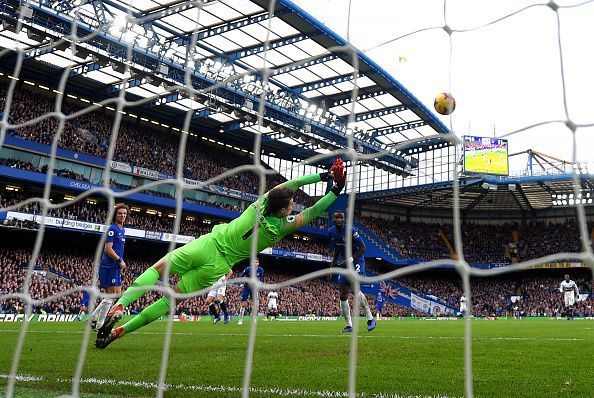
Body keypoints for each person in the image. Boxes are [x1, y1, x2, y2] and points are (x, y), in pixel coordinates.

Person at [95, 158, 346, 348]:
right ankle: (121, 332)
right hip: (218, 265)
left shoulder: (260, 203)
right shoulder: (281, 227)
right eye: (291, 204)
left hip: (208, 244)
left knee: (157, 269)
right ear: (283, 211)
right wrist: (337, 189)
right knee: (171, 299)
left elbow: (290, 185)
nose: (293, 204)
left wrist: (324, 176)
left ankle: (121, 305)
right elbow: (314, 211)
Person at [328, 210, 375, 333]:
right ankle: (349, 325)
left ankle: (370, 318)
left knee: (355, 290)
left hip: (357, 261)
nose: (339, 220)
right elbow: (337, 250)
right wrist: (331, 267)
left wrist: (349, 259)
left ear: (344, 219)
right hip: (343, 263)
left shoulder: (351, 230)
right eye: (336, 218)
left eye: (341, 218)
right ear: (333, 219)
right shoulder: (331, 232)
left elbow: (363, 248)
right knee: (343, 294)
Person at [90, 203, 128, 330]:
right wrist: (120, 260)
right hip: (109, 266)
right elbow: (108, 249)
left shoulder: (122, 230)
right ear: (115, 215)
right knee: (110, 296)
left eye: (124, 213)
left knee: (115, 295)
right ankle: (99, 325)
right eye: (120, 213)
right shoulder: (112, 229)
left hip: (115, 266)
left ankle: (93, 317)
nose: (122, 215)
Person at [238, 258, 264, 325]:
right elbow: (242, 277)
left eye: (257, 262)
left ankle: (254, 317)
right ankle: (240, 319)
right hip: (247, 287)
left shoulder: (261, 270)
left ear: (258, 263)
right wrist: (241, 283)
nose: (255, 263)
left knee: (254, 304)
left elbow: (261, 279)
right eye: (254, 262)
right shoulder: (247, 269)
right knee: (243, 303)